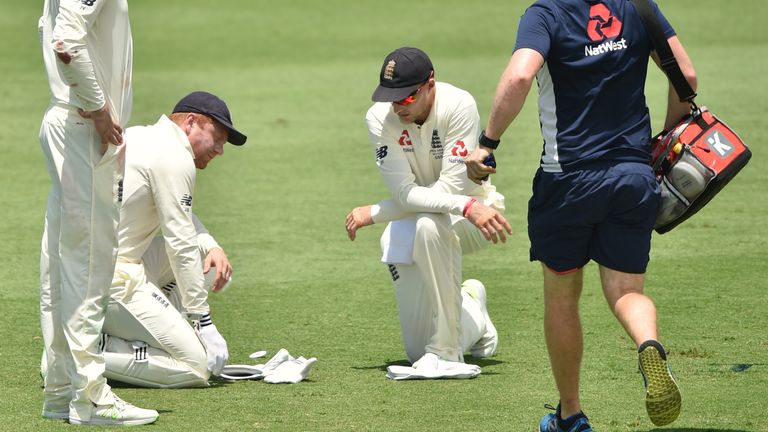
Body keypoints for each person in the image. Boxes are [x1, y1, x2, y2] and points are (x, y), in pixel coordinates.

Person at [465, 1, 696, 430]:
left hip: (568, 181)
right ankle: (648, 343)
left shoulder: (546, 14)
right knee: (626, 290)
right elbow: (687, 75)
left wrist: (488, 142)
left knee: (562, 294)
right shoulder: (638, 6)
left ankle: (570, 414)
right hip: (632, 175)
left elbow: (519, 74)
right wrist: (666, 135)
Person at [345, 47, 512, 374]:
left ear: (430, 83)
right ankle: (473, 313)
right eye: (392, 98)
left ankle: (448, 351)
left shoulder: (459, 105)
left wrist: (377, 212)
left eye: (407, 98)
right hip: (456, 209)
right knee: (414, 351)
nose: (398, 107)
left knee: (428, 224)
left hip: (477, 217)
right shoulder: (378, 118)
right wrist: (459, 205)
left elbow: (450, 191)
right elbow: (406, 195)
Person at [38, 0, 158, 425]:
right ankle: (89, 397)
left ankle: (59, 391)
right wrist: (100, 107)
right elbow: (66, 41)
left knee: (61, 265)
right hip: (84, 126)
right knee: (89, 266)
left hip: (68, 120)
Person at [101, 91, 246, 388]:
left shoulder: (143, 136)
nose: (220, 150)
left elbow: (178, 215)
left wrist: (210, 244)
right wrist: (203, 320)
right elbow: (179, 243)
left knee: (208, 261)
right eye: (217, 137)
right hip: (111, 283)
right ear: (191, 122)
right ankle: (82, 356)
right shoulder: (175, 156)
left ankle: (160, 327)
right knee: (197, 366)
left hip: (100, 271)